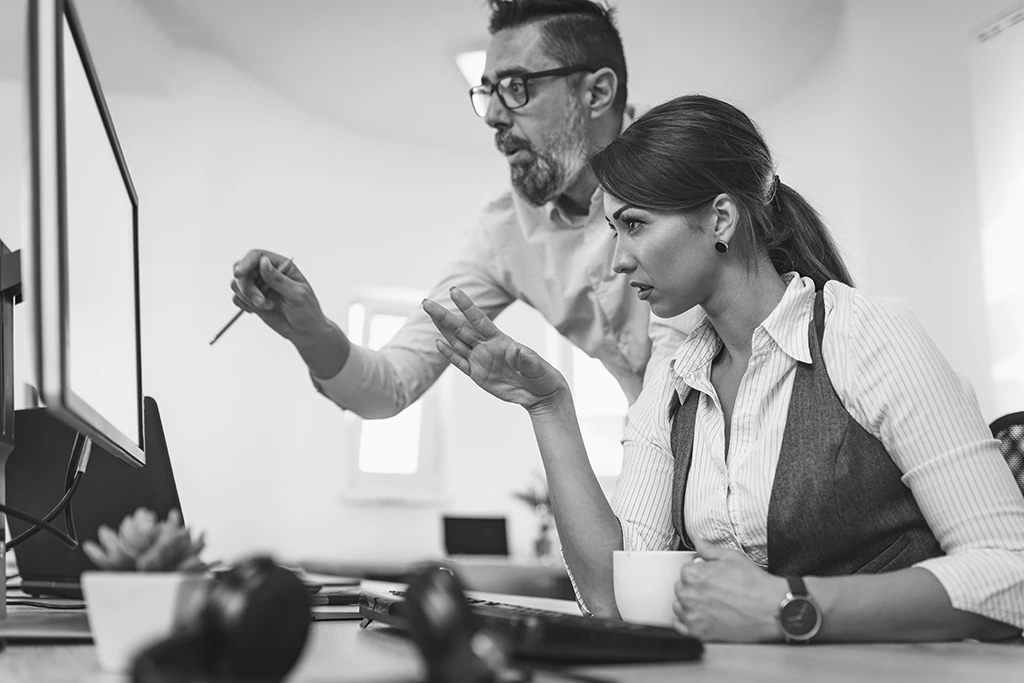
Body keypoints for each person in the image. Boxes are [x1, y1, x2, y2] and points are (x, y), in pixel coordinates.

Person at [422, 94, 1024, 642]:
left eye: (634, 225)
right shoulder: (671, 383)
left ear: (721, 220)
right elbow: (614, 601)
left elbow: (1012, 572)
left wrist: (787, 606)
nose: (618, 261)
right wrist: (548, 407)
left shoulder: (866, 335)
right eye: (613, 230)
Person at [228, 0, 691, 419]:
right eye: (488, 92)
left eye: (516, 87)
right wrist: (312, 333)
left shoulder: (691, 161)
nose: (492, 116)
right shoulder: (503, 233)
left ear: (597, 93)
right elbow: (390, 386)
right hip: (657, 437)